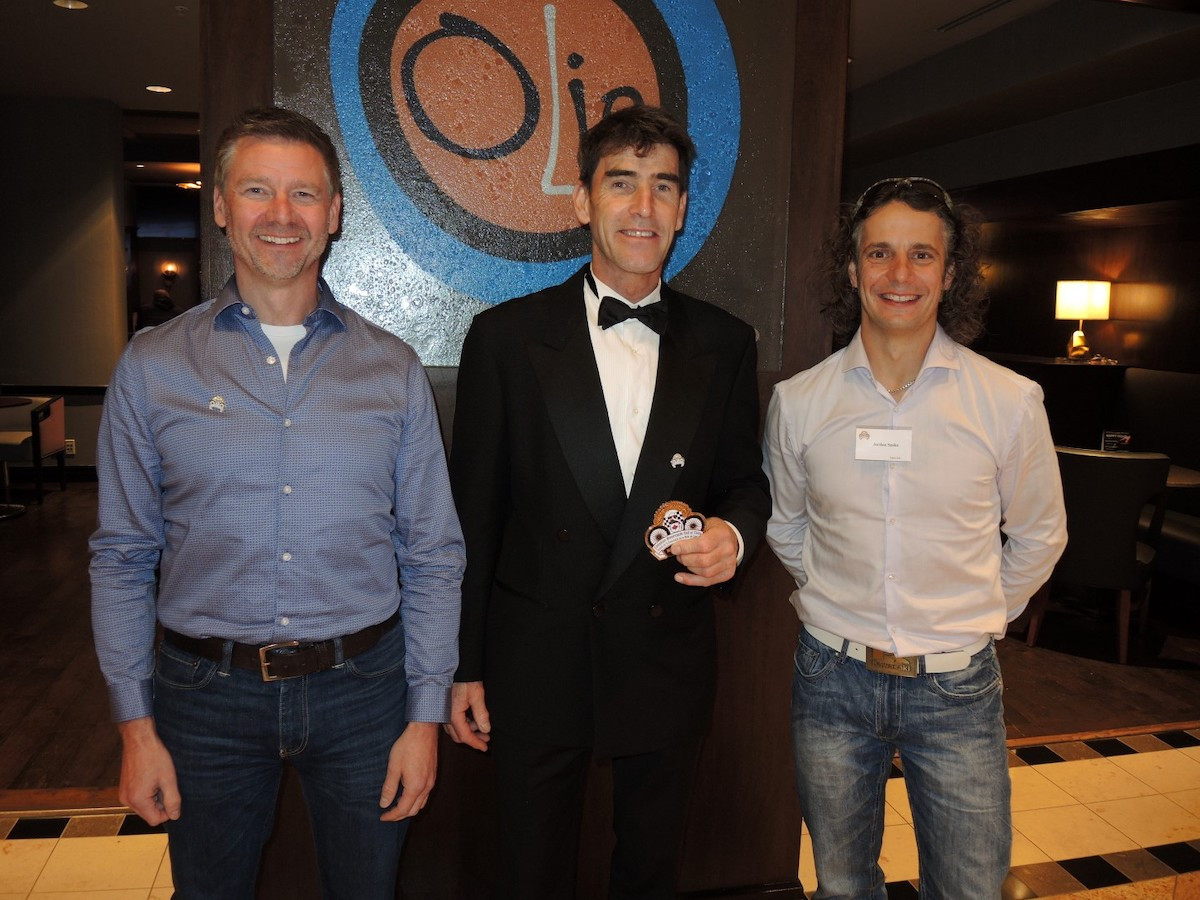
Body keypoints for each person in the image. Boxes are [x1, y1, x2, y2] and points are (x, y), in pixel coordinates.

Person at [90, 107, 465, 900]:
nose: (281, 215)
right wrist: (135, 728)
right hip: (203, 698)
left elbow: (432, 554)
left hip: (366, 691)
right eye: (257, 190)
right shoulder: (154, 367)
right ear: (221, 205)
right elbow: (123, 555)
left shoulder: (391, 370)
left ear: (333, 214)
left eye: (304, 194)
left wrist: (423, 719)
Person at [446, 105, 771, 897]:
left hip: (664, 659)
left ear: (684, 208)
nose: (644, 206)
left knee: (651, 873)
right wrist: (464, 667)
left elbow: (743, 479)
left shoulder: (725, 342)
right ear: (584, 200)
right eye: (621, 183)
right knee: (530, 872)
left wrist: (735, 532)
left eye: (664, 187)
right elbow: (474, 519)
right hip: (536, 661)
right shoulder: (503, 339)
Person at [763, 176, 1067, 899]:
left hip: (957, 689)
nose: (900, 275)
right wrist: (837, 596)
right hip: (830, 682)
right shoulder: (800, 403)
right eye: (880, 254)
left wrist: (972, 611)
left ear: (950, 273)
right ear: (852, 269)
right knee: (841, 884)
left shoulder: (1009, 402)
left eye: (922, 256)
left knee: (968, 887)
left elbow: (1039, 535)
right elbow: (786, 525)